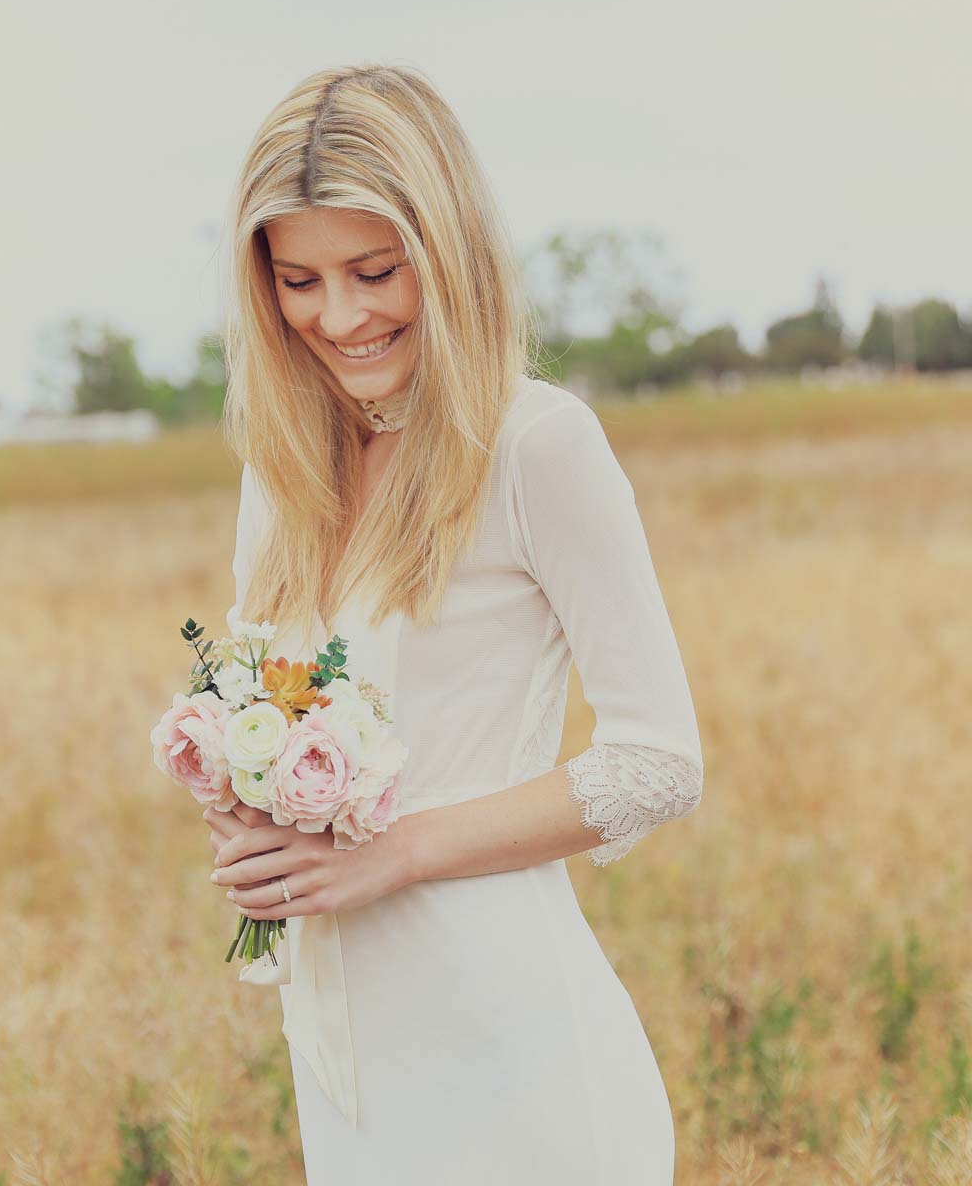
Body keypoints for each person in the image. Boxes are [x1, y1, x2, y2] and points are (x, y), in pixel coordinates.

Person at [201, 62, 704, 1185]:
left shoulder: (537, 445)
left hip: (511, 1043)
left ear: (447, 250)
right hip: (344, 1046)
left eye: (375, 271)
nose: (340, 316)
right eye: (299, 280)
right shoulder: (280, 472)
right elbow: (258, 710)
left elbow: (660, 762)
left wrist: (394, 854)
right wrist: (241, 816)